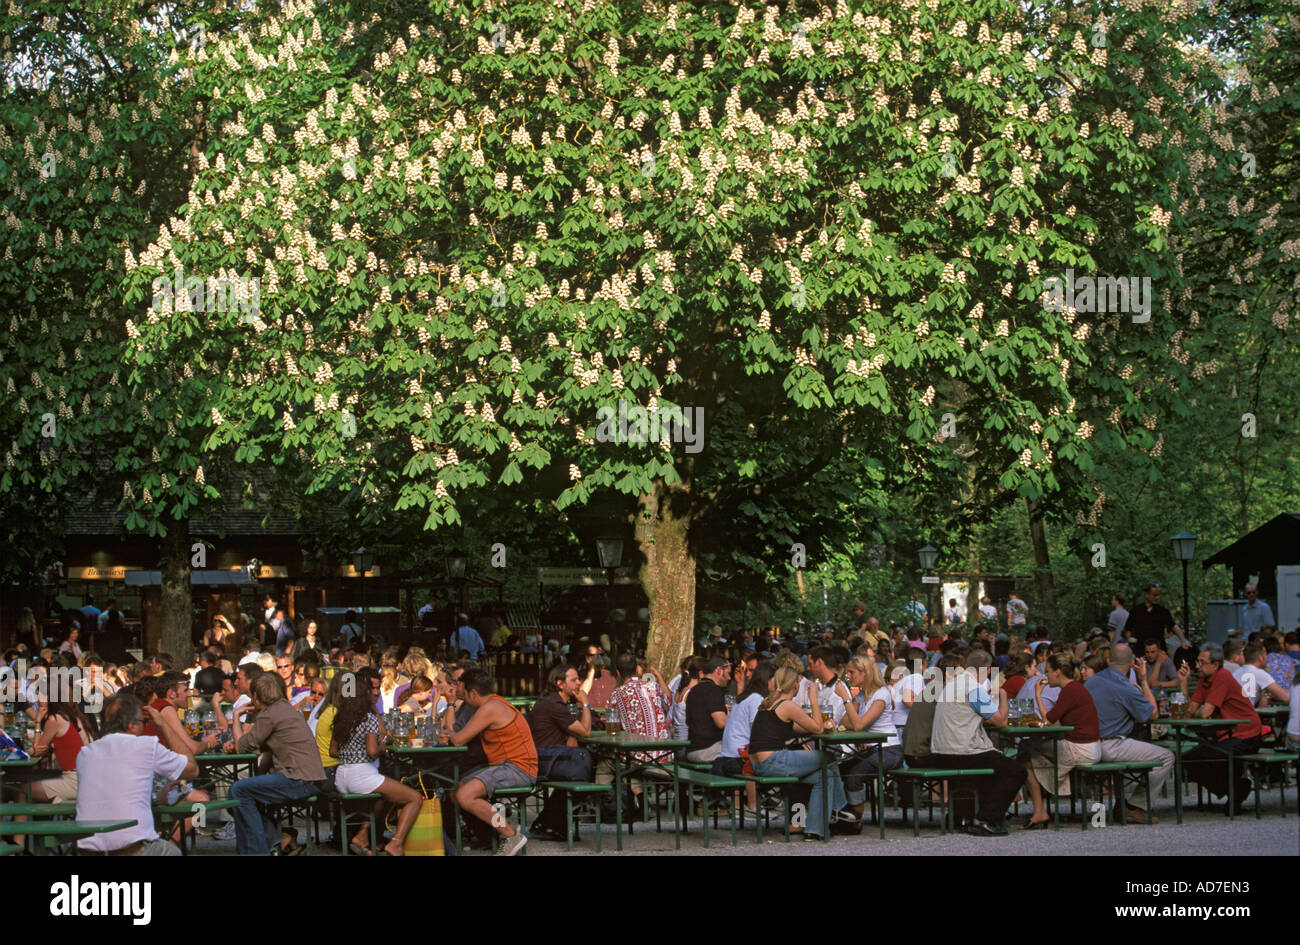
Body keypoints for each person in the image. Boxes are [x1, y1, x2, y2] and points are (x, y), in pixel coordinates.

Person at [73, 692, 197, 855]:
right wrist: (163, 725)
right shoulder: (145, 745)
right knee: (172, 852)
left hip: (89, 850)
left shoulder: (85, 753)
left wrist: (155, 798)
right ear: (132, 725)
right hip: (130, 849)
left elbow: (112, 796)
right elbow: (192, 769)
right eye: (143, 722)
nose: (144, 726)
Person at [922, 649, 1025, 836]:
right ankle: (986, 818)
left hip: (940, 752)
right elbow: (1000, 721)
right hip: (962, 752)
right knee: (1016, 771)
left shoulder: (953, 684)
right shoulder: (973, 689)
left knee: (993, 765)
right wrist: (1003, 695)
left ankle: (971, 815)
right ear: (987, 670)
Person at [227, 673, 328, 855]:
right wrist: (257, 777)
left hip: (298, 779)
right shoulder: (283, 708)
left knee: (237, 791)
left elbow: (242, 747)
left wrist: (236, 717)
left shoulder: (269, 714)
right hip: (309, 777)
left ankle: (257, 851)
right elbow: (267, 750)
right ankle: (276, 839)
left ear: (256, 696)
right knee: (242, 795)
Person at [748, 666, 849, 841]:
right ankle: (840, 808)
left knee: (820, 776)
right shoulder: (787, 705)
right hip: (774, 760)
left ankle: (814, 830)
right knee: (830, 758)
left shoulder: (768, 703)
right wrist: (813, 698)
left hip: (759, 763)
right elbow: (816, 728)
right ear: (795, 685)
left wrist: (818, 727)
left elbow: (796, 728)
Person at [329, 672, 423, 856]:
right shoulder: (368, 718)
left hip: (342, 777)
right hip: (363, 776)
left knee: (385, 795)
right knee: (414, 798)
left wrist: (353, 753)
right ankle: (396, 844)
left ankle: (362, 837)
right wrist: (383, 747)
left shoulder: (342, 717)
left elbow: (333, 751)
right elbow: (372, 751)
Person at [448, 669, 536, 855]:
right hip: (505, 765)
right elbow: (457, 735)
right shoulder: (493, 703)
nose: (463, 700)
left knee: (464, 795)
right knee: (455, 789)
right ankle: (489, 836)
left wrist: (449, 732)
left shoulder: (490, 708)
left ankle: (510, 835)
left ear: (473, 693)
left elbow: (457, 740)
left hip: (517, 768)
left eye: (463, 695)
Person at [1085, 643, 1173, 824]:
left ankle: (1124, 804)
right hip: (1110, 744)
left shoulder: (1092, 680)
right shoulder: (1125, 686)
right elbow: (1152, 714)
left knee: (1136, 748)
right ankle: (1135, 807)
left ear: (1109, 660)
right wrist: (1143, 681)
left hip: (1088, 744)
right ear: (1132, 663)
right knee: (1166, 756)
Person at [1019, 653, 1101, 829]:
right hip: (1089, 746)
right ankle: (1041, 808)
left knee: (1025, 755)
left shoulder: (1070, 690)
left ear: (1058, 672)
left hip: (1081, 748)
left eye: (1048, 671)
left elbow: (1048, 720)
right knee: (1027, 750)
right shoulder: (1075, 689)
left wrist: (1038, 695)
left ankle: (1039, 810)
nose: (1045, 675)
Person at [1177, 644, 1262, 814]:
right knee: (1186, 760)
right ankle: (1236, 789)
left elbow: (1204, 713)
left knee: (1204, 758)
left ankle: (1236, 790)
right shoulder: (1204, 679)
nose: (1197, 666)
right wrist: (1183, 683)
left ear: (1215, 665)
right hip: (1227, 734)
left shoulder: (1222, 677)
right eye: (1197, 662)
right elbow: (1190, 711)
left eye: (1202, 662)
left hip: (1246, 734)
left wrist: (1197, 712)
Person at [524, 664, 594, 840]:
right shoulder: (553, 704)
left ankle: (548, 823)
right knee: (584, 774)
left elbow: (576, 731)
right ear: (560, 683)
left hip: (551, 757)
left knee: (585, 769)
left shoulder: (555, 701)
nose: (579, 683)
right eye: (574, 680)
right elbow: (586, 731)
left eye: (578, 679)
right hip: (543, 760)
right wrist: (585, 703)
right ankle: (551, 824)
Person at [601, 653, 673, 820]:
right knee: (632, 762)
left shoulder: (617, 694)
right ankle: (641, 802)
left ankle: (607, 808)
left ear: (618, 673)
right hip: (664, 755)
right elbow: (668, 703)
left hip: (638, 756)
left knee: (606, 764)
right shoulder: (653, 687)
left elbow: (610, 728)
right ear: (637, 670)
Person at [834, 656, 904, 824]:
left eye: (852, 672)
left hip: (889, 750)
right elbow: (844, 721)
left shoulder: (881, 694)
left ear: (864, 673)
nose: (848, 676)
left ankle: (855, 821)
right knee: (838, 768)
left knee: (854, 775)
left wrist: (845, 698)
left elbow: (857, 725)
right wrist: (854, 714)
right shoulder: (863, 695)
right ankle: (845, 814)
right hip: (873, 748)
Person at [685, 657, 730, 763]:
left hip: (692, 749)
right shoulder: (713, 690)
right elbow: (721, 722)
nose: (729, 677)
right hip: (708, 750)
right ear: (719, 670)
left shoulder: (694, 690)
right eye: (728, 673)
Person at [1122, 583, 1181, 653]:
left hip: (1159, 651)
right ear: (1147, 595)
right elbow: (1128, 629)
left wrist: (1183, 641)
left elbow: (1173, 626)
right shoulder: (1135, 611)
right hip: (1140, 650)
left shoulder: (1163, 611)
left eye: (1158, 595)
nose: (1157, 598)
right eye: (1154, 595)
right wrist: (1130, 644)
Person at [1227, 641, 1289, 706]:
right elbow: (1286, 698)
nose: (1267, 657)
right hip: (1244, 714)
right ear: (1260, 657)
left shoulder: (1236, 672)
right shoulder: (1260, 673)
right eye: (1265, 654)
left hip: (1232, 712)